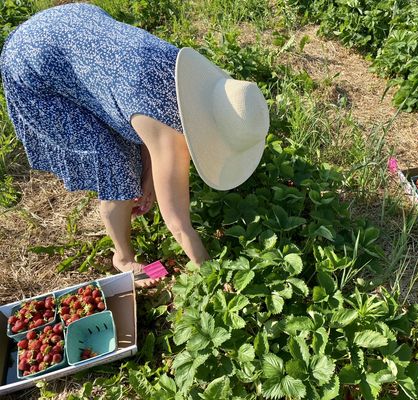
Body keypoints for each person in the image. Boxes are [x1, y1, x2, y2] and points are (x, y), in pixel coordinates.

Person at [0, 3, 270, 287]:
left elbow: (149, 119)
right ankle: (124, 259)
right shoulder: (169, 135)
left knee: (131, 146)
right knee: (113, 161)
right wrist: (212, 274)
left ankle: (129, 219)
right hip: (31, 60)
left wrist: (148, 179)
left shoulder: (187, 76)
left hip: (72, 21)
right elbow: (179, 225)